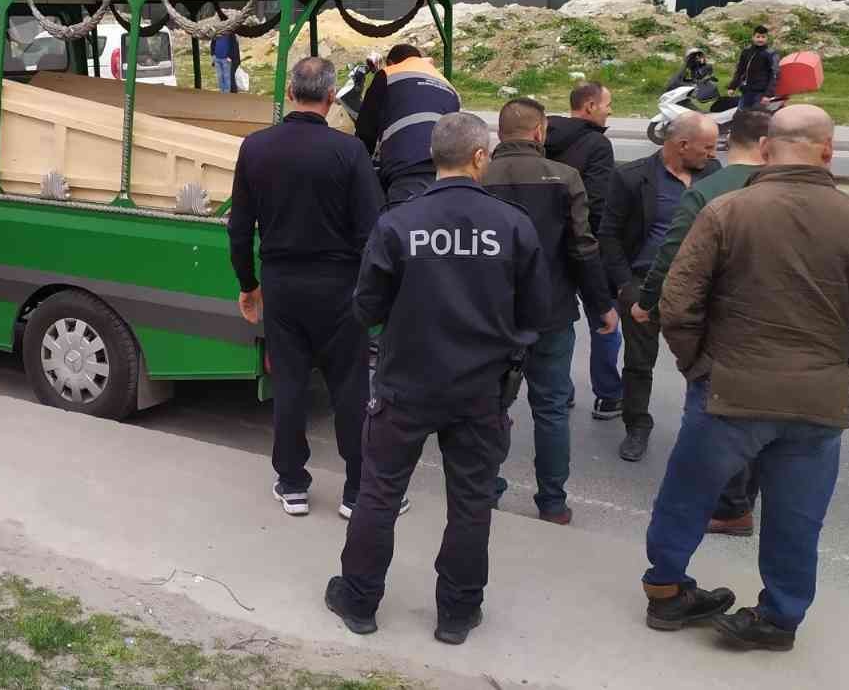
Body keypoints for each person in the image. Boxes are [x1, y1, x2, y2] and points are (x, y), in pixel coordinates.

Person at [644, 105, 849, 651]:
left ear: (765, 151)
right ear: (829, 152)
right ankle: (779, 618)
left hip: (727, 390)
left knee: (686, 496)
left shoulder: (726, 211)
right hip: (816, 403)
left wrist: (697, 365)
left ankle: (667, 593)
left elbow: (676, 303)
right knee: (797, 516)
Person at [326, 112, 550, 645]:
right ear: (479, 157)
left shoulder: (400, 221)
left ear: (434, 157)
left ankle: (359, 601)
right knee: (471, 503)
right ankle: (457, 613)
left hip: (407, 384)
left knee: (379, 494)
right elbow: (536, 312)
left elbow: (367, 307)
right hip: (481, 389)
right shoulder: (513, 224)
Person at [228, 56, 388, 521]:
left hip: (281, 284)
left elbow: (240, 228)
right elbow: (372, 230)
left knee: (291, 384)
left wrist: (248, 283)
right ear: (332, 96)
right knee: (350, 387)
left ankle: (293, 484)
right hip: (341, 286)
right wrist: (373, 291)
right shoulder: (349, 151)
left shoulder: (255, 148)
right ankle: (357, 489)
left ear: (291, 94)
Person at [631, 109, 772, 537]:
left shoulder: (710, 191)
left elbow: (672, 252)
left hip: (721, 322)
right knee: (761, 415)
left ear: (731, 144)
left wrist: (647, 302)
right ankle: (745, 500)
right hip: (776, 326)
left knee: (717, 417)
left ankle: (725, 506)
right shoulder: (792, 191)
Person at [483, 99, 618, 525]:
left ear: (501, 133)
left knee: (489, 406)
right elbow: (582, 249)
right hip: (552, 311)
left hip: (491, 315)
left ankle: (487, 491)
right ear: (540, 132)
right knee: (552, 409)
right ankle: (552, 503)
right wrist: (601, 306)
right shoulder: (565, 178)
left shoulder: (478, 177)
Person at [600, 112, 720, 462]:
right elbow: (608, 235)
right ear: (682, 145)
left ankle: (704, 428)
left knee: (706, 364)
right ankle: (637, 426)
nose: (713, 155)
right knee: (639, 364)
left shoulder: (714, 176)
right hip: (643, 286)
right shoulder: (632, 177)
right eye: (708, 147)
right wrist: (625, 286)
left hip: (701, 288)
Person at [544, 82, 622, 420]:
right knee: (604, 321)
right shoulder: (598, 144)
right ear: (589, 106)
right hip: (587, 244)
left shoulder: (544, 136)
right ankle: (608, 396)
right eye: (607, 104)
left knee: (559, 321)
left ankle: (561, 390)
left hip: (550, 245)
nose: (610, 111)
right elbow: (599, 201)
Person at [352, 44, 461, 206]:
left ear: (390, 62)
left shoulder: (389, 74)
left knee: (404, 224)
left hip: (409, 165)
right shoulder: (449, 86)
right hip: (447, 169)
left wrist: (359, 164)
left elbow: (366, 128)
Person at [728, 25, 780, 110]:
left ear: (767, 38)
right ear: (753, 37)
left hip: (761, 93)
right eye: (758, 37)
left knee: (756, 119)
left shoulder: (771, 54)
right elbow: (740, 70)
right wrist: (732, 86)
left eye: (763, 37)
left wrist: (768, 95)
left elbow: (775, 75)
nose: (760, 39)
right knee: (740, 116)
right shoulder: (746, 51)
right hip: (746, 91)